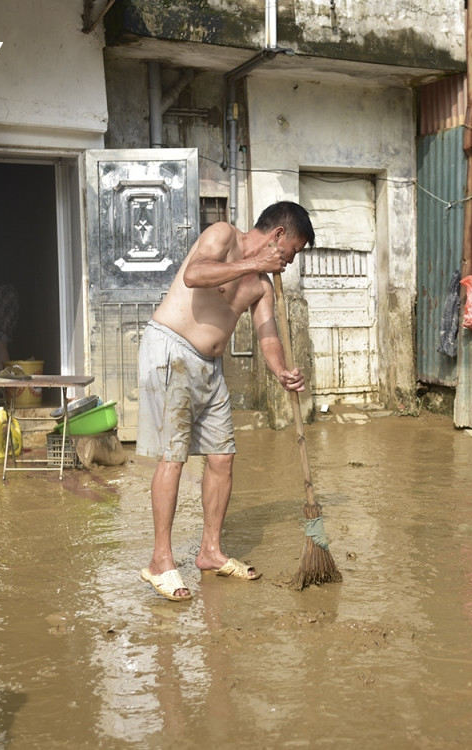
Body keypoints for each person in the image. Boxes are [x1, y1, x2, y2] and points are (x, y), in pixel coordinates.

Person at [137, 201, 314, 601]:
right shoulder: (223, 235)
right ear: (278, 236)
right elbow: (196, 274)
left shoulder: (262, 286)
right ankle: (160, 561)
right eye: (291, 252)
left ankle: (210, 551)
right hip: (171, 351)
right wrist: (251, 265)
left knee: (222, 457)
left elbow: (267, 333)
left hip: (210, 366)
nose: (288, 262)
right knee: (174, 456)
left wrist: (280, 370)